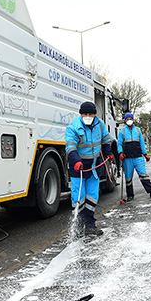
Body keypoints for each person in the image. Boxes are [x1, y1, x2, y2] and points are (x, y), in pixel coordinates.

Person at [65, 101, 112, 236]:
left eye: (90, 114)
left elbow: (105, 139)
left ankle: (90, 225)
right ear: (81, 114)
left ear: (94, 115)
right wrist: (76, 160)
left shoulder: (100, 125)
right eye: (85, 114)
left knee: (92, 195)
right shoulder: (73, 127)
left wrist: (108, 152)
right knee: (78, 196)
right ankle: (78, 226)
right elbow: (70, 145)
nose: (88, 116)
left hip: (93, 166)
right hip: (78, 166)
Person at [117, 112, 151, 201]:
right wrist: (120, 153)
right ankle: (130, 195)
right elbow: (119, 144)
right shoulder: (122, 131)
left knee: (143, 174)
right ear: (125, 120)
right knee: (128, 178)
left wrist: (145, 154)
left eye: (130, 119)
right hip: (127, 158)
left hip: (138, 157)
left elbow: (141, 143)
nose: (129, 120)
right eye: (127, 119)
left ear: (133, 119)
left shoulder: (138, 130)